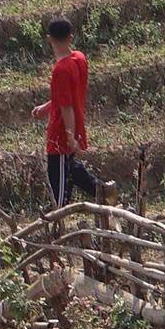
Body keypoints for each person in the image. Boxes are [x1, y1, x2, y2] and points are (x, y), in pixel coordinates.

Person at [33, 18, 99, 209]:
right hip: (73, 127)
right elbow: (66, 97)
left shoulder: (60, 70)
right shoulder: (79, 59)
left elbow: (66, 106)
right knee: (72, 169)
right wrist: (46, 108)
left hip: (60, 134)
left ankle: (57, 214)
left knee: (59, 185)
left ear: (49, 39)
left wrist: (69, 137)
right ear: (71, 37)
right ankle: (103, 192)